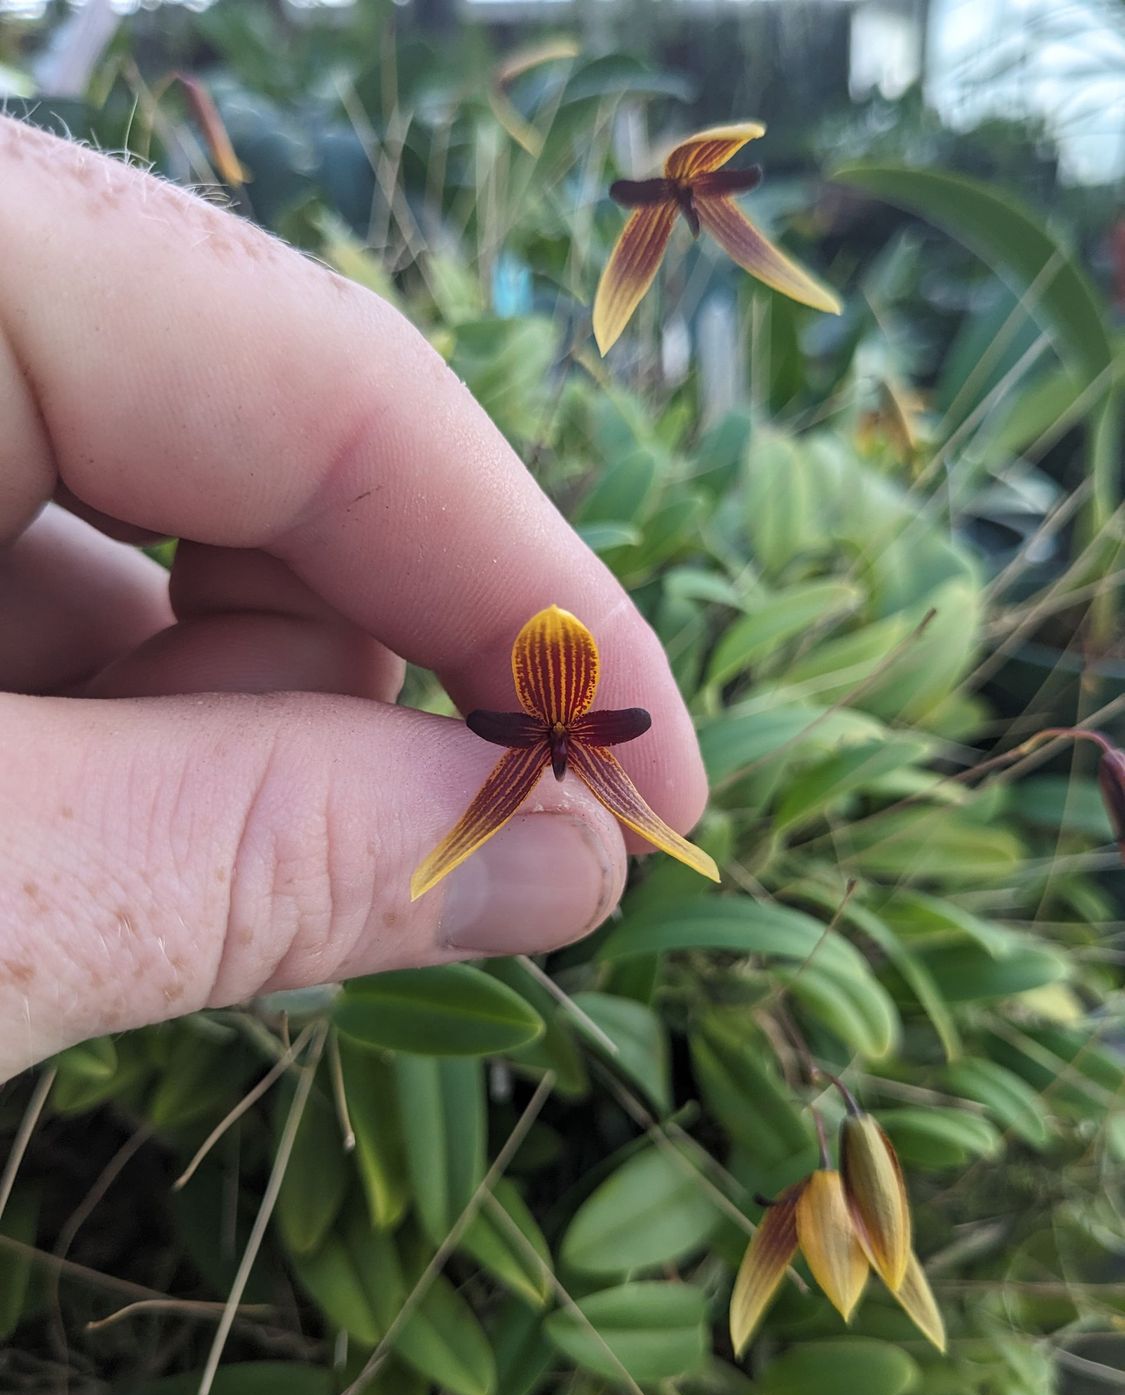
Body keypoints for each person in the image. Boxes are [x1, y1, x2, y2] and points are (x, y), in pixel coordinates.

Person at [0, 114, 708, 1082]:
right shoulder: (548, 730)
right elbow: (486, 820)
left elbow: (617, 799)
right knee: (477, 828)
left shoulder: (559, 729)